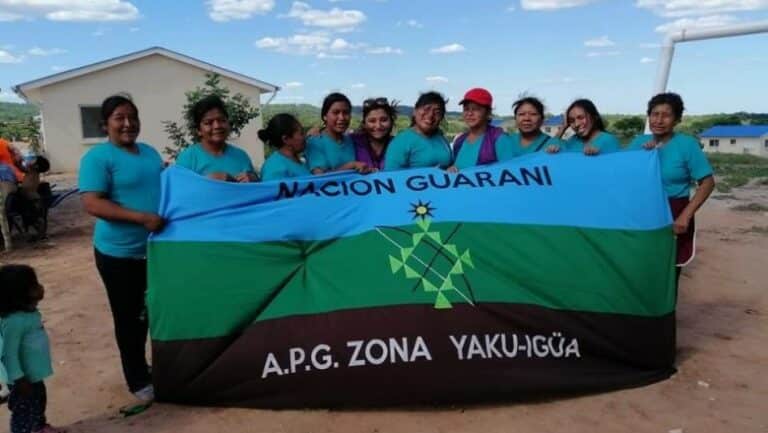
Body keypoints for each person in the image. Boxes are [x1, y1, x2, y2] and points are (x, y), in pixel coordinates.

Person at [78, 95, 163, 402]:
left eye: (132, 117)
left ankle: (157, 368)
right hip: (119, 255)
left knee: (155, 313)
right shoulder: (98, 158)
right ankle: (138, 379)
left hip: (155, 252)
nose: (128, 124)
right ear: (105, 125)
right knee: (130, 318)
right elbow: (91, 202)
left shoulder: (150, 153)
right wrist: (141, 218)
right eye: (119, 118)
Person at [630, 92, 715, 282]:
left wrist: (685, 215)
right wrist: (643, 157)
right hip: (643, 214)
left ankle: (665, 311)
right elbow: (624, 176)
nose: (659, 120)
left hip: (674, 214)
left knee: (667, 273)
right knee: (639, 269)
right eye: (655, 114)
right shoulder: (638, 143)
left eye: (666, 115)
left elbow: (707, 183)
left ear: (676, 119)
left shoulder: (687, 145)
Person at [0, 264, 65, 433]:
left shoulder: (28, 313)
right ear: (19, 294)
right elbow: (8, 354)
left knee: (37, 401)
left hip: (31, 374)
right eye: (34, 285)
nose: (40, 288)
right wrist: (18, 378)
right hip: (22, 378)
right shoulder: (13, 322)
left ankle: (38, 426)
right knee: (23, 410)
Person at [175, 95, 257, 182]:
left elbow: (256, 190)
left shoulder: (241, 156)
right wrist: (211, 183)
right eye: (208, 123)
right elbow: (181, 191)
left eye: (222, 120)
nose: (217, 126)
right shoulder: (188, 158)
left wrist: (254, 179)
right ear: (198, 130)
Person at [384, 91, 452, 171]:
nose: (430, 115)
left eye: (437, 112)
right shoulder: (401, 142)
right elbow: (391, 176)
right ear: (415, 111)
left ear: (441, 117)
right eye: (426, 109)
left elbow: (451, 166)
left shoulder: (442, 140)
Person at [448, 88, 513, 171]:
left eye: (475, 109)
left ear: (488, 112)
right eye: (466, 109)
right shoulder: (459, 141)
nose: (470, 113)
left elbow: (510, 172)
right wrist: (452, 169)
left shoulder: (499, 139)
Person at [305, 92, 368, 174]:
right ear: (325, 116)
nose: (341, 118)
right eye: (335, 112)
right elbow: (319, 176)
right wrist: (351, 165)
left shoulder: (350, 140)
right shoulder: (315, 142)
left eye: (346, 113)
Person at [349, 97, 398, 171]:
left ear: (391, 121)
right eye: (372, 121)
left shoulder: (399, 144)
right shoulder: (351, 142)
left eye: (384, 120)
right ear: (364, 123)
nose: (378, 126)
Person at [259, 114, 311, 181]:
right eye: (301, 133)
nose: (305, 137)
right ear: (286, 139)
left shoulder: (299, 162)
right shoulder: (274, 168)